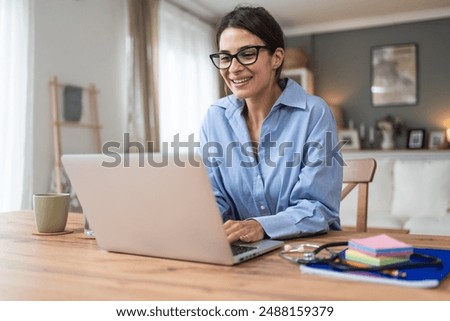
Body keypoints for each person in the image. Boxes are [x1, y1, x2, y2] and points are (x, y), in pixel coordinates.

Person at [199, 5, 342, 243]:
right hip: (242, 251)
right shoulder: (215, 118)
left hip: (304, 248)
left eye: (247, 54)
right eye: (225, 57)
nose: (233, 68)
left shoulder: (313, 113)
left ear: (276, 58)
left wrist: (261, 226)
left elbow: (319, 207)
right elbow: (213, 198)